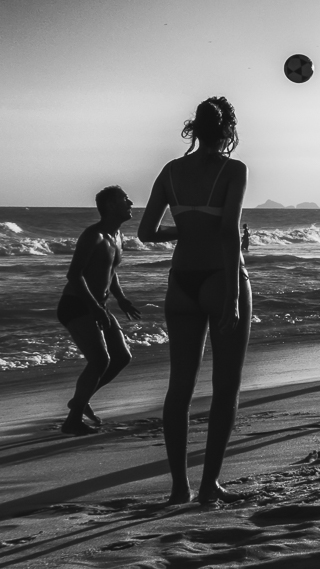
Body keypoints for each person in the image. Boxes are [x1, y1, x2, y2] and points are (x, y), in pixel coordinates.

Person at [137, 96, 250, 504]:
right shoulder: (233, 169)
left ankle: (178, 488)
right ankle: (208, 485)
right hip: (221, 279)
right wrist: (234, 298)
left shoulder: (170, 171)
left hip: (181, 282)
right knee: (225, 387)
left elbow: (146, 233)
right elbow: (228, 232)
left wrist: (184, 231)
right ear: (228, 131)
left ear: (193, 128)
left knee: (179, 388)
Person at [57, 186, 141, 436]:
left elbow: (109, 272)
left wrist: (122, 299)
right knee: (100, 360)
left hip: (98, 305)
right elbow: (74, 275)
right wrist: (95, 308)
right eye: (124, 199)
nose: (131, 202)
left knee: (122, 357)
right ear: (110, 206)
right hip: (77, 305)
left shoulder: (117, 237)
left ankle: (80, 401)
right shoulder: (92, 235)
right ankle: (72, 420)